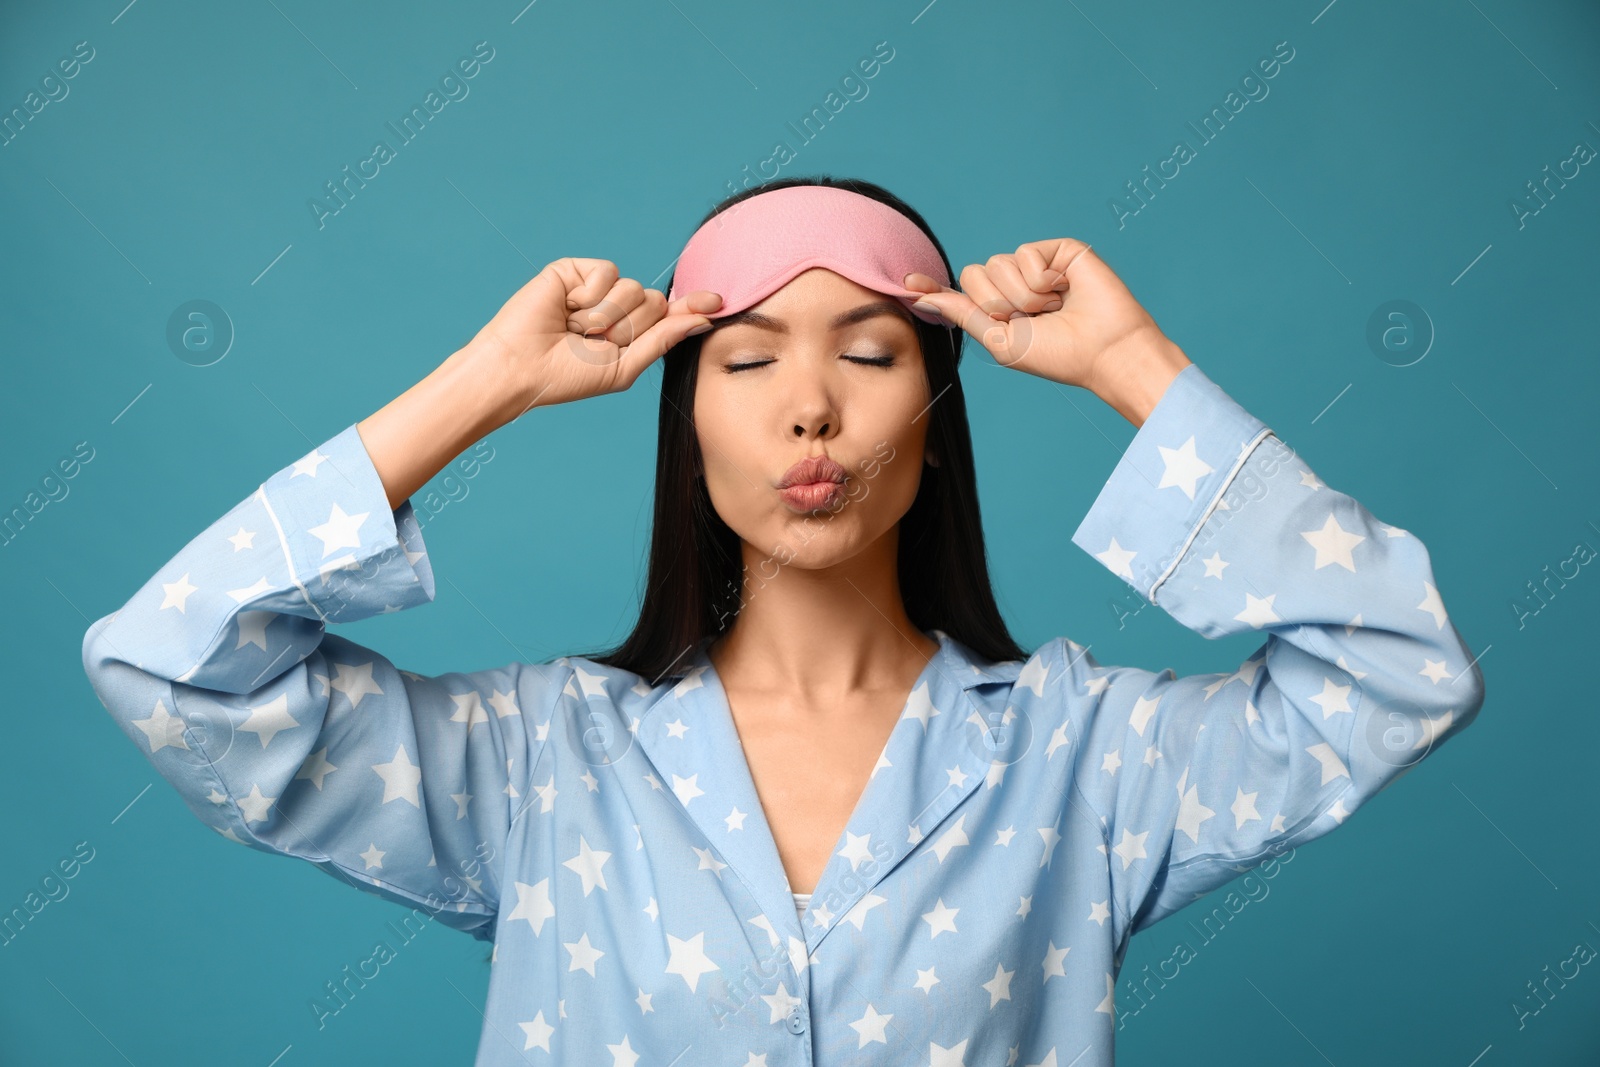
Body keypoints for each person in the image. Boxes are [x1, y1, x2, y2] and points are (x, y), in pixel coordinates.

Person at [81, 176, 1485, 1065]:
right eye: (747, 359)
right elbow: (175, 671)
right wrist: (483, 385)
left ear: (935, 420)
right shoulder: (541, 766)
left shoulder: (1082, 758)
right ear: (685, 425)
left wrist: (1131, 364)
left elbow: (1397, 673)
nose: (810, 405)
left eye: (869, 354)